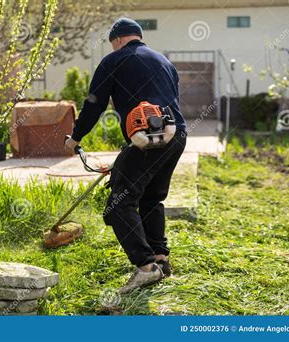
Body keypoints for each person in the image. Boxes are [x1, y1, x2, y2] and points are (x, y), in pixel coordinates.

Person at [64, 18, 187, 293]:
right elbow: (172, 102)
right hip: (176, 135)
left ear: (117, 40)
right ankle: (160, 258)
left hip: (147, 140)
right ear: (138, 37)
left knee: (118, 205)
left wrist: (76, 138)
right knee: (152, 197)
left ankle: (145, 268)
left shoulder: (113, 61)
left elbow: (93, 104)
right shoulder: (165, 62)